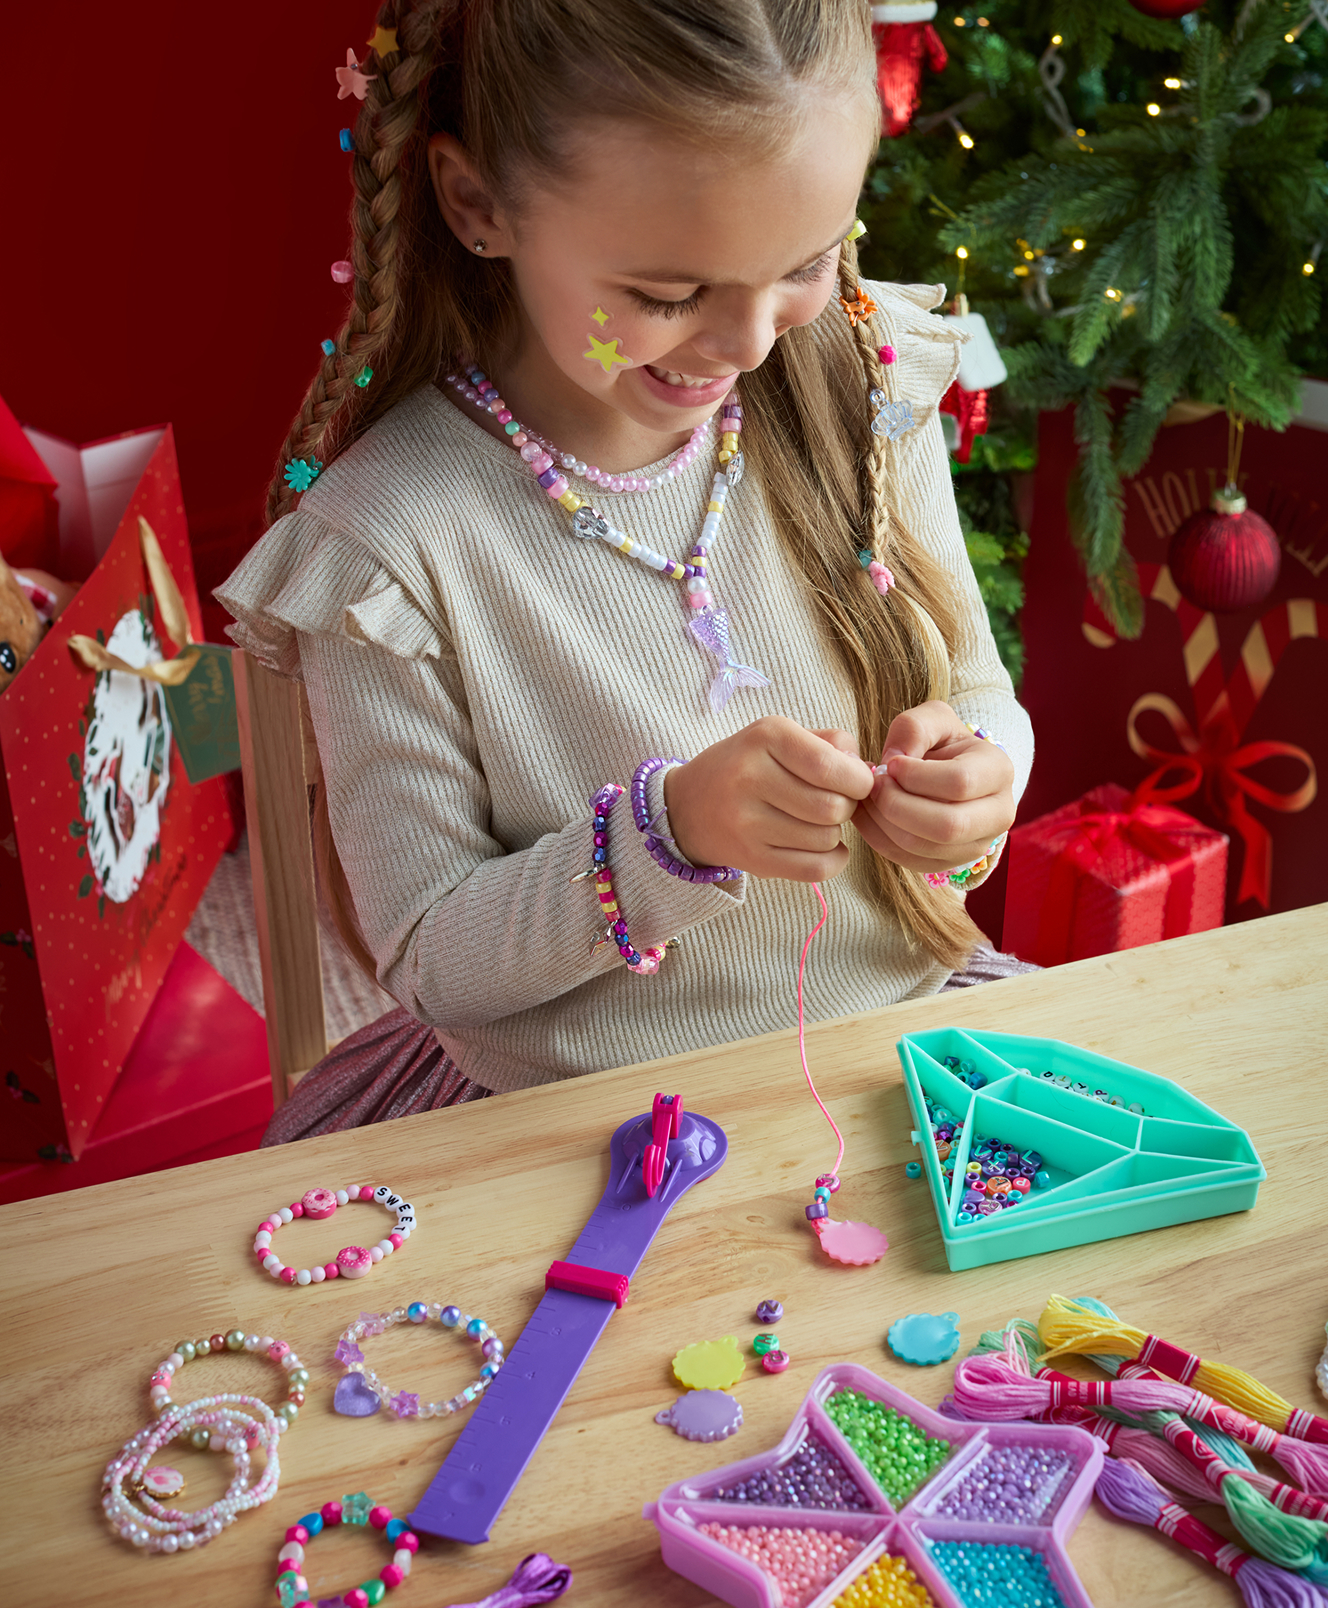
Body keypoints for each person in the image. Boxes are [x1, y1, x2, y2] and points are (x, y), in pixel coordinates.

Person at [219, 0, 1035, 1145]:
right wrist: (664, 838)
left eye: (804, 263)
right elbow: (429, 955)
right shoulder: (387, 550)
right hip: (568, 1121)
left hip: (890, 1046)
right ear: (477, 206)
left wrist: (980, 776)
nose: (749, 342)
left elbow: (978, 689)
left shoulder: (862, 387)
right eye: (665, 294)